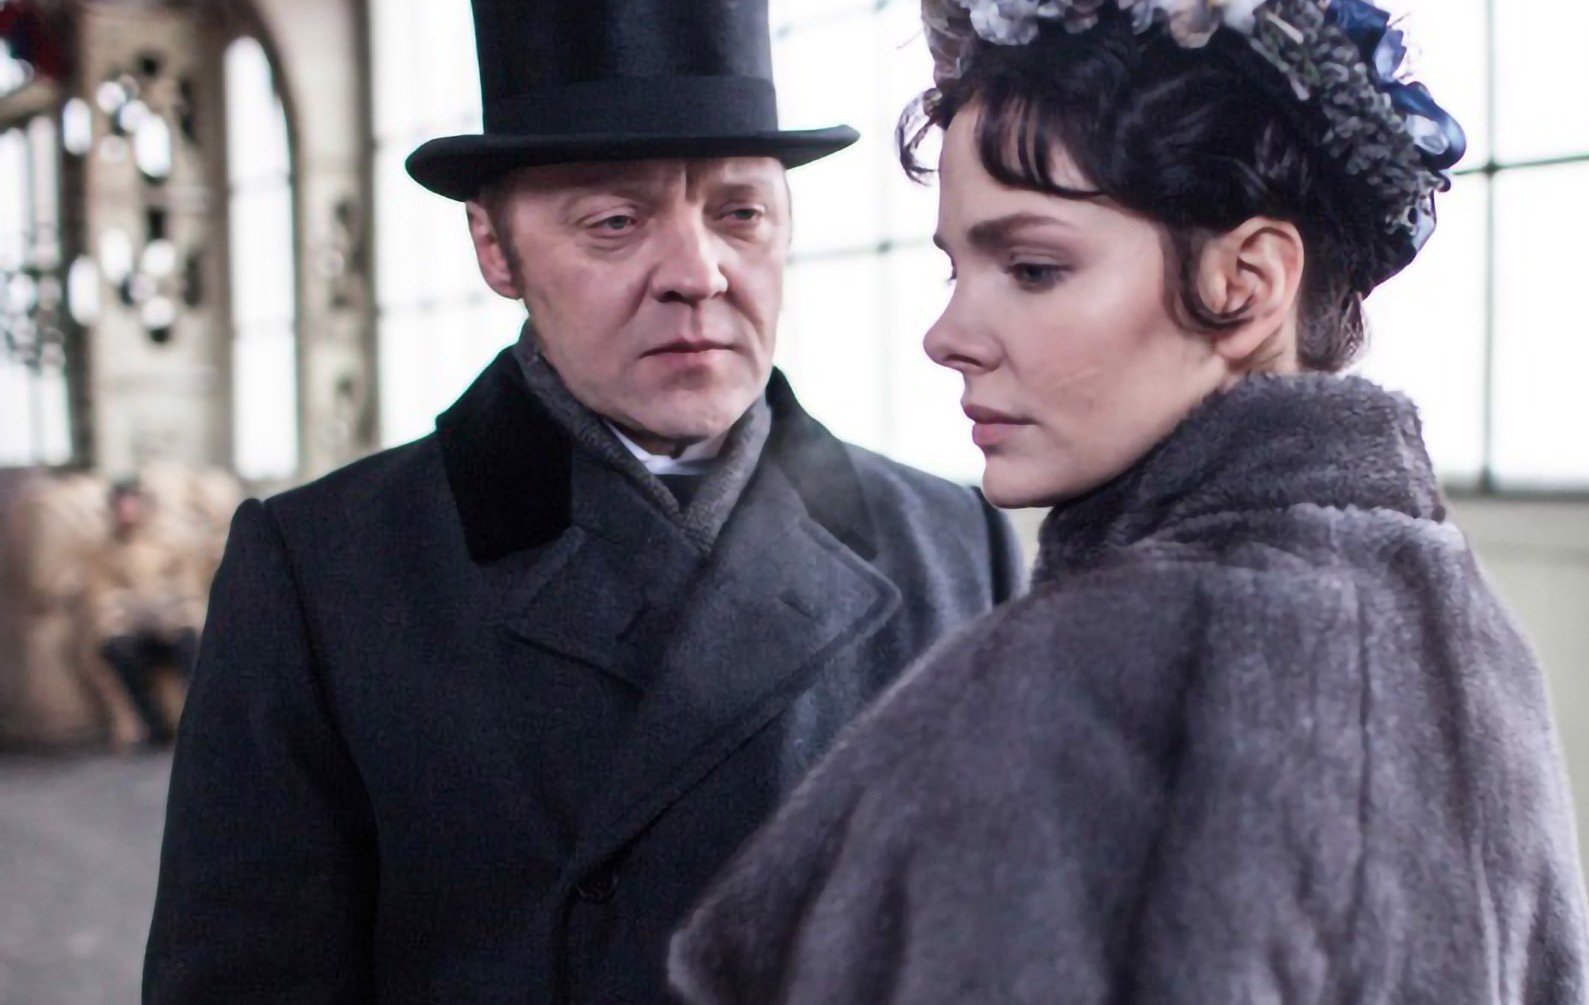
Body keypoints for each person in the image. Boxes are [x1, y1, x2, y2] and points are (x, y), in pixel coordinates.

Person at [672, 1, 1589, 1001]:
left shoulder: (1054, 692)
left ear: (1245, 282)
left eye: (1033, 268)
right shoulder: (1473, 646)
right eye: (954, 267)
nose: (946, 336)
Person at [143, 2, 1020, 1002]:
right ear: (495, 248)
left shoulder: (955, 544)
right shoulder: (322, 571)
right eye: (615, 222)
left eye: (739, 214)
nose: (698, 274)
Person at [83, 479, 204, 747]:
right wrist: (122, 622)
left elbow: (189, 590)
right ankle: (156, 727)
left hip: (173, 625)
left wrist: (177, 617)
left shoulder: (172, 544)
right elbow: (102, 599)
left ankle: (201, 722)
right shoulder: (103, 552)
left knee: (192, 648)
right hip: (132, 629)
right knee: (118, 651)